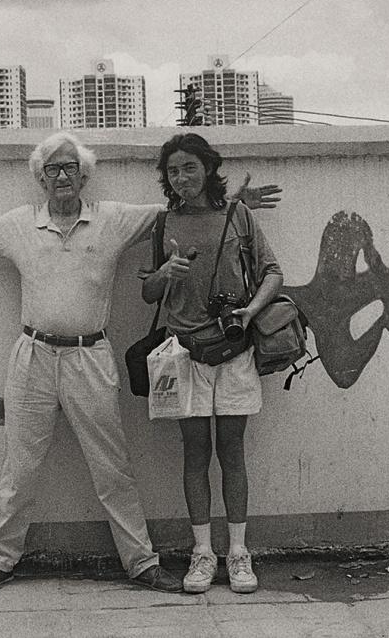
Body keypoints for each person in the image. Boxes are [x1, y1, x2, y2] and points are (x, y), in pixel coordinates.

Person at [0, 131, 281, 594]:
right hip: (33, 355)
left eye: (70, 168)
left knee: (112, 467)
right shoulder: (20, 223)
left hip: (91, 356)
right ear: (40, 178)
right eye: (52, 169)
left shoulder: (113, 219)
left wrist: (235, 202)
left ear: (84, 176)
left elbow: (184, 210)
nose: (62, 176)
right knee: (20, 467)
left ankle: (141, 562)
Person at [140, 132, 284, 594]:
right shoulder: (164, 224)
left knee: (232, 452)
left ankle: (238, 552)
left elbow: (272, 272)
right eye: (173, 171)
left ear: (208, 169)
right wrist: (165, 273)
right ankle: (202, 552)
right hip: (186, 355)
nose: (181, 178)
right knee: (196, 453)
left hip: (235, 352)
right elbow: (148, 292)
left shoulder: (238, 215)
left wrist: (250, 311)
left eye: (189, 167)